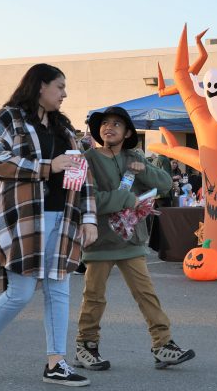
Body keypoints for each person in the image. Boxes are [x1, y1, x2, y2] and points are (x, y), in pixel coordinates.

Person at [0, 63, 99, 387]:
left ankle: (56, 361)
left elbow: (82, 175)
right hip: (22, 218)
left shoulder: (65, 129)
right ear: (40, 86)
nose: (65, 94)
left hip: (62, 217)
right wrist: (45, 166)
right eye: (60, 87)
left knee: (59, 290)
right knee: (21, 294)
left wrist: (90, 217)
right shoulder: (7, 118)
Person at [74, 106, 196, 371]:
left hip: (131, 242)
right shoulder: (88, 159)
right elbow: (86, 199)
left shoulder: (135, 156)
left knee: (147, 295)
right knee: (94, 297)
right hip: (100, 241)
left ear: (128, 132)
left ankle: (163, 345)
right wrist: (126, 198)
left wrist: (143, 171)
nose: (109, 127)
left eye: (116, 124)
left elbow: (164, 184)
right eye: (105, 123)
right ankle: (86, 345)